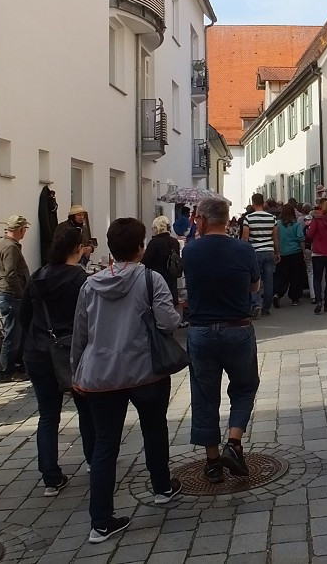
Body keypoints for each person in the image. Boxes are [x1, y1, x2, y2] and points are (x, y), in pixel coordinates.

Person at [72, 218, 181, 544]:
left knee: (105, 445)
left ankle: (101, 522)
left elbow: (81, 332)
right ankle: (161, 486)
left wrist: (76, 371)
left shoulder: (90, 285)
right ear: (140, 248)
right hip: (145, 370)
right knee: (154, 427)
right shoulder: (151, 279)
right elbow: (168, 322)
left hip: (101, 375)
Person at [183, 196, 260, 485]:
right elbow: (255, 286)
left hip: (201, 331)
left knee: (204, 395)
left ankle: (213, 462)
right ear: (227, 220)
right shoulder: (243, 249)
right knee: (244, 386)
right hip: (237, 328)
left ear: (201, 219)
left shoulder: (190, 251)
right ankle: (234, 442)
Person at [19, 224, 95, 495]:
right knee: (86, 408)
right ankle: (94, 460)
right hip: (72, 351)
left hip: (38, 353)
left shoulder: (38, 275)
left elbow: (24, 315)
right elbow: (91, 317)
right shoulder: (80, 280)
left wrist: (37, 338)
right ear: (78, 248)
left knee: (48, 416)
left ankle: (50, 477)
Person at [0, 214, 32, 383]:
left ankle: (15, 367)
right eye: (25, 229)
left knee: (16, 333)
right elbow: (10, 274)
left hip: (9, 295)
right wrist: (21, 294)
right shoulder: (11, 247)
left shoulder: (7, 244)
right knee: (12, 335)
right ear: (19, 229)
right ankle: (7, 371)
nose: (25, 232)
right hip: (11, 296)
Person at [240, 193, 280, 317]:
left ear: (253, 204)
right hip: (268, 251)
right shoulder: (272, 218)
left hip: (254, 252)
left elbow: (245, 237)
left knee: (254, 280)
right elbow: (275, 237)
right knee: (269, 280)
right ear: (264, 203)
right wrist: (277, 252)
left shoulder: (248, 218)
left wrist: (243, 252)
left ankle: (255, 303)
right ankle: (266, 308)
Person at [142, 215, 183, 312]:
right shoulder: (174, 242)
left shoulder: (154, 242)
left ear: (156, 228)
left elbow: (146, 262)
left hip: (157, 279)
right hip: (171, 278)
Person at [273, 203, 308, 306]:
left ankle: (278, 293)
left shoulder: (278, 224)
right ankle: (294, 298)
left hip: (283, 253)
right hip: (295, 252)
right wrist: (304, 252)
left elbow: (275, 238)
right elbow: (301, 238)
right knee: (296, 276)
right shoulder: (296, 224)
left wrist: (277, 251)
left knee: (282, 276)